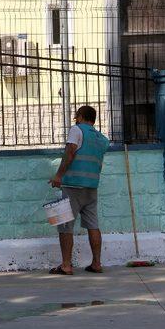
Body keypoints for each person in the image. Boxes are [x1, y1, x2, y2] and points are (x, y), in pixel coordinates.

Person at [48, 105, 110, 275]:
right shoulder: (102, 139)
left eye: (76, 116)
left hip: (72, 185)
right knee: (93, 225)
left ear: (81, 116)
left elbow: (70, 152)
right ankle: (96, 263)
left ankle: (66, 265)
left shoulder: (76, 130)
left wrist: (58, 176)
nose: (75, 119)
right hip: (91, 187)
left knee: (65, 225)